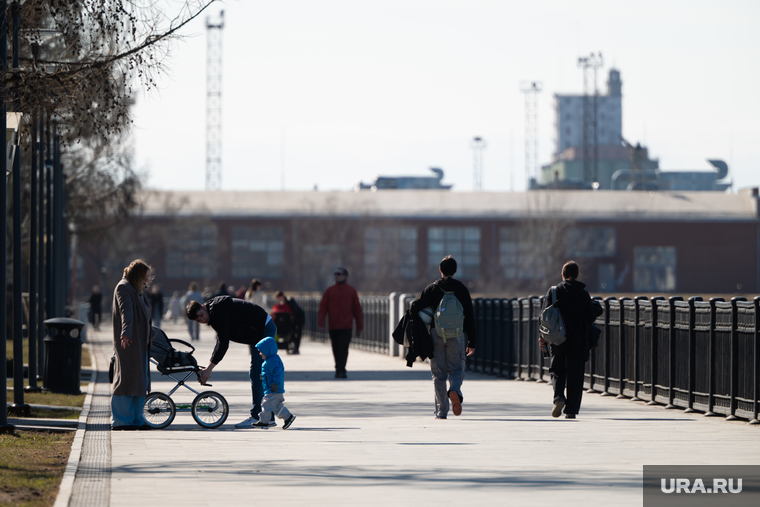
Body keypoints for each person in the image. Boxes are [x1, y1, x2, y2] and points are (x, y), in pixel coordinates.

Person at [186, 295, 278, 428]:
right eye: (198, 320)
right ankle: (267, 416)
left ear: (203, 306)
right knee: (257, 373)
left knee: (256, 374)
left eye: (201, 315)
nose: (202, 319)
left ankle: (259, 416)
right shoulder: (213, 311)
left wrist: (209, 368)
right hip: (257, 332)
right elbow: (221, 340)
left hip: (264, 329)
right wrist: (208, 367)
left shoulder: (218, 310)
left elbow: (223, 343)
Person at [410, 255, 476, 419]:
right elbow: (470, 316)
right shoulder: (461, 289)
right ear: (455, 271)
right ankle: (454, 390)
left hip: (436, 334)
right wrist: (472, 341)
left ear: (440, 270)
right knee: (456, 369)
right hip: (457, 335)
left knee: (438, 374)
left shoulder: (432, 289)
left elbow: (415, 306)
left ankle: (441, 411)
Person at [538, 260, 600, 420]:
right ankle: (571, 410)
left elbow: (544, 317)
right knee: (575, 374)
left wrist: (542, 337)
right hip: (578, 340)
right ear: (577, 275)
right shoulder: (584, 294)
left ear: (563, 275)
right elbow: (590, 317)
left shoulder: (554, 292)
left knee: (557, 370)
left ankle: (559, 398)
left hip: (558, 339)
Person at [111, 259, 153, 430]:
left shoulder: (136, 289)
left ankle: (137, 419)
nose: (148, 280)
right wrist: (125, 334)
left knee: (139, 380)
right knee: (126, 380)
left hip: (140, 342)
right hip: (129, 342)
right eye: (146, 277)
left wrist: (151, 334)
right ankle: (121, 420)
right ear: (138, 275)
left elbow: (144, 315)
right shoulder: (124, 288)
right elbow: (126, 312)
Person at [318, 267, 363, 378]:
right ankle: (338, 367)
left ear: (345, 276)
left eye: (339, 274)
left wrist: (359, 326)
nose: (336, 276)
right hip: (333, 325)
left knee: (344, 347)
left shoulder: (351, 291)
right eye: (335, 274)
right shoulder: (330, 291)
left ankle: (341, 369)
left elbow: (357, 309)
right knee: (335, 348)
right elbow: (323, 308)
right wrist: (321, 324)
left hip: (346, 325)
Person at [251, 337, 296, 430]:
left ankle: (264, 421)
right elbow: (270, 373)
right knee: (276, 407)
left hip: (273, 389)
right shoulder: (271, 359)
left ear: (267, 350)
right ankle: (288, 417)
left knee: (265, 404)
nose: (260, 353)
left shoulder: (271, 361)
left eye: (261, 351)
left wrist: (275, 383)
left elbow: (278, 372)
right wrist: (263, 377)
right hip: (273, 388)